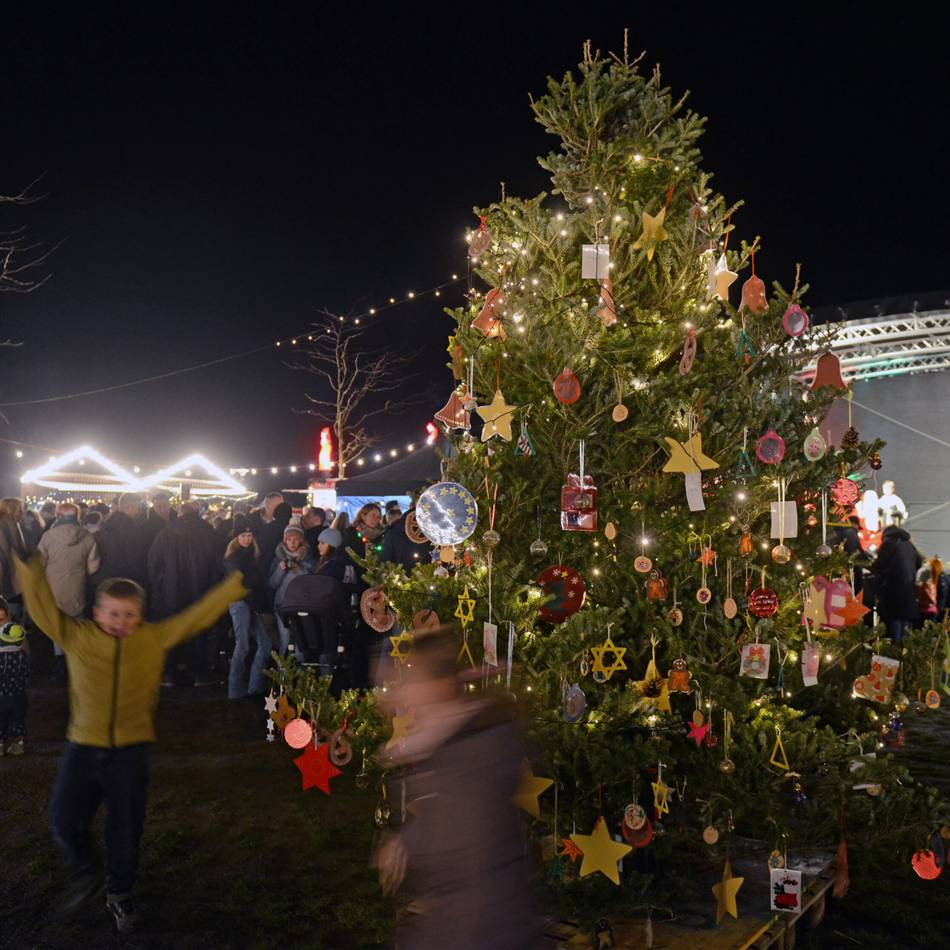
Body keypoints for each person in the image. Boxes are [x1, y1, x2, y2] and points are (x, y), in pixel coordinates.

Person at [15, 552, 244, 934]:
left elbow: (194, 618)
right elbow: (42, 610)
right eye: (113, 613)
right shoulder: (78, 635)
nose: (121, 622)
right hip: (82, 748)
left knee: (125, 828)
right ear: (96, 613)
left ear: (140, 616)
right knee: (63, 818)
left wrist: (234, 587)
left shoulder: (152, 639)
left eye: (129, 615)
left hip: (131, 752)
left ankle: (120, 892)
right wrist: (29, 569)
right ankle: (87, 873)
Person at [373, 626, 539, 949]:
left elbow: (462, 851)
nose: (401, 694)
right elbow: (444, 813)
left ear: (439, 686)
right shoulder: (458, 744)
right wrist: (404, 841)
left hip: (484, 928)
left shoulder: (472, 755)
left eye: (411, 682)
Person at [147, 501, 226, 685]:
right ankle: (199, 674)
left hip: (172, 591)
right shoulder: (211, 534)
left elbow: (153, 564)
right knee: (200, 633)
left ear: (180, 514)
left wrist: (161, 585)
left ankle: (169, 673)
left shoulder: (165, 534)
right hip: (202, 591)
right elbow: (219, 565)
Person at [37, 503, 101, 682]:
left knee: (58, 623)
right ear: (78, 515)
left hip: (53, 587)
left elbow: (39, 562)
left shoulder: (48, 536)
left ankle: (60, 664)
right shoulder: (87, 536)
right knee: (76, 623)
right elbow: (93, 564)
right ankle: (75, 663)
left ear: (58, 515)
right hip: (77, 586)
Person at [223, 528, 271, 699]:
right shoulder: (235, 558)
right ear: (236, 538)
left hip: (250, 603)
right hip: (241, 602)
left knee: (264, 644)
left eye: (250, 535)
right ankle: (235, 690)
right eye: (243, 535)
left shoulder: (251, 555)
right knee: (242, 645)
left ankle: (253, 686)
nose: (247, 539)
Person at [870, 525, 922, 643]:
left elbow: (879, 564)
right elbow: (919, 562)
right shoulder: (910, 545)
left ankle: (895, 647)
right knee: (905, 618)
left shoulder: (890, 542)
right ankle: (905, 648)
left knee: (894, 616)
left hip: (893, 587)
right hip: (909, 588)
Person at [269, 524, 316, 655]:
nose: (292, 543)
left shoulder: (309, 560)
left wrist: (300, 568)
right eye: (289, 539)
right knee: (285, 639)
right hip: (282, 605)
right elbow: (272, 584)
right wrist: (280, 570)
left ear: (301, 540)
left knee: (301, 640)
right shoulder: (278, 558)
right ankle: (283, 672)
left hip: (302, 605)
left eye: (295, 539)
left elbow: (312, 582)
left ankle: (300, 672)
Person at [96, 494, 149, 588]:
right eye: (137, 508)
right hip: (127, 578)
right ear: (128, 508)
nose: (139, 511)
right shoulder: (130, 527)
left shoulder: (106, 526)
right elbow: (134, 557)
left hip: (107, 578)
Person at [0, 601, 29, 756]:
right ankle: (18, 744)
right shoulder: (20, 653)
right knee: (17, 719)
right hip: (18, 694)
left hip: (6, 694)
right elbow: (27, 671)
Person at [381, 505, 430, 572]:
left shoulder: (392, 532)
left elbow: (385, 561)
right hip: (431, 576)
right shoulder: (437, 523)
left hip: (402, 577)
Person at [0, 498, 27, 618]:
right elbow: (5, 556)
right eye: (20, 510)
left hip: (13, 579)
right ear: (11, 511)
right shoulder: (7, 527)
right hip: (9, 580)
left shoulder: (14, 525)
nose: (22, 513)